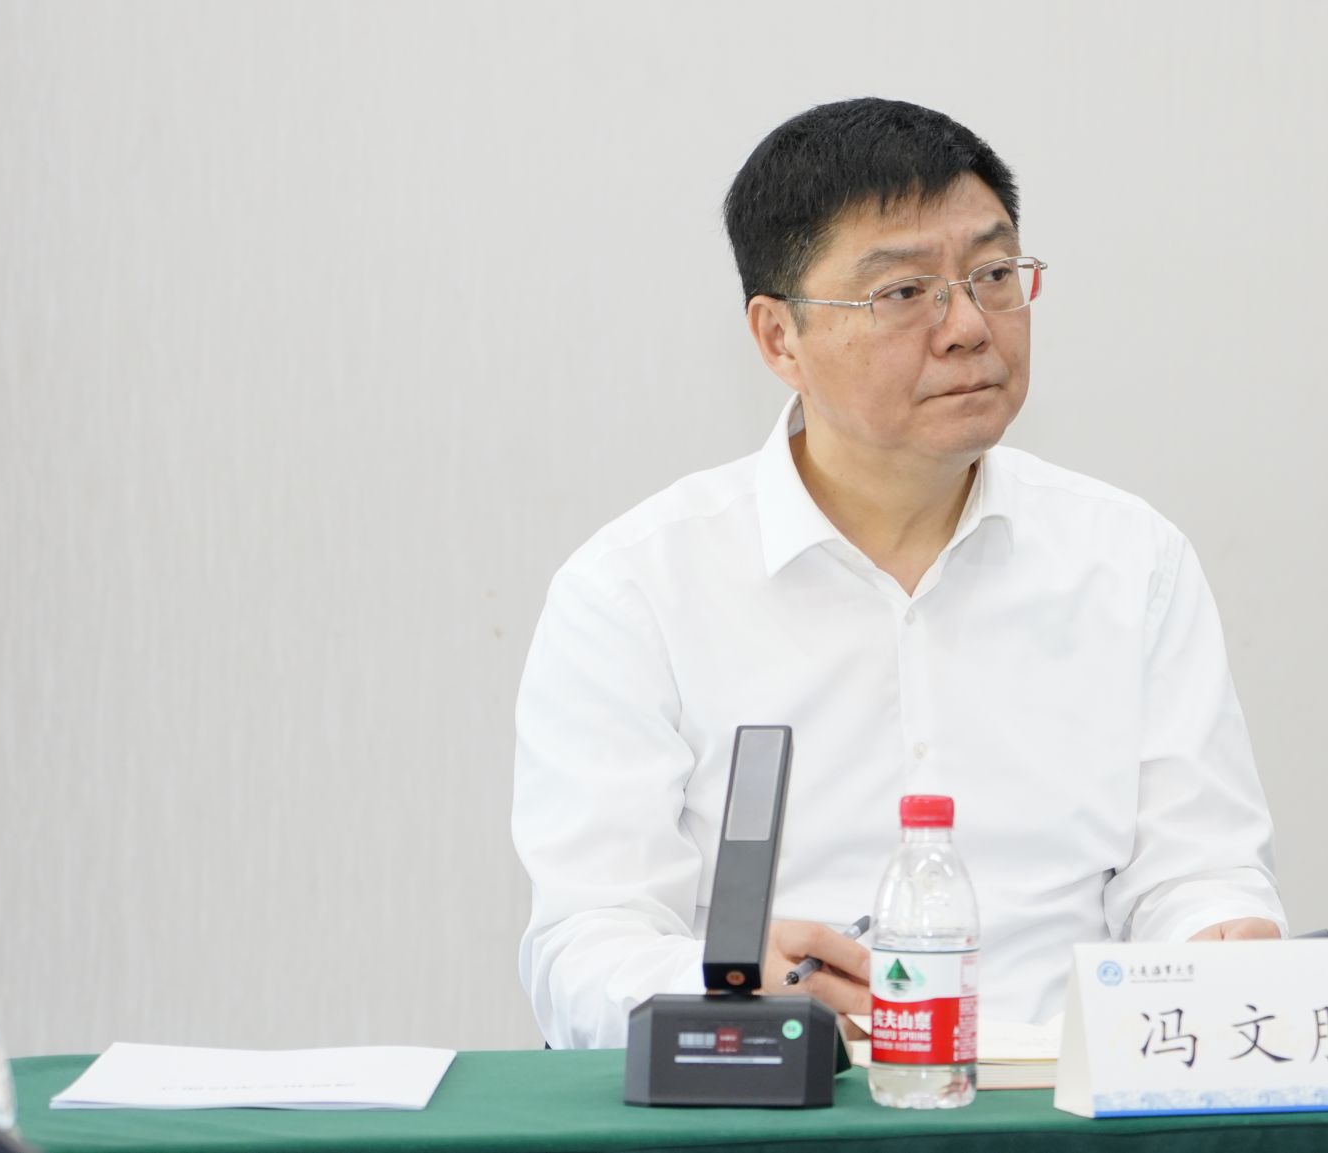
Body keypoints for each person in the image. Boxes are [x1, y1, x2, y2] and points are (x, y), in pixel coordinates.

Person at [513, 98, 1285, 1050]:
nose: (968, 326)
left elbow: (1195, 869)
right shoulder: (636, 592)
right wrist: (725, 982)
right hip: (790, 1099)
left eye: (993, 275)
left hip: (1063, 1097)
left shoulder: (1131, 560)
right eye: (903, 291)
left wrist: (1222, 935)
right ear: (779, 338)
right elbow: (586, 947)